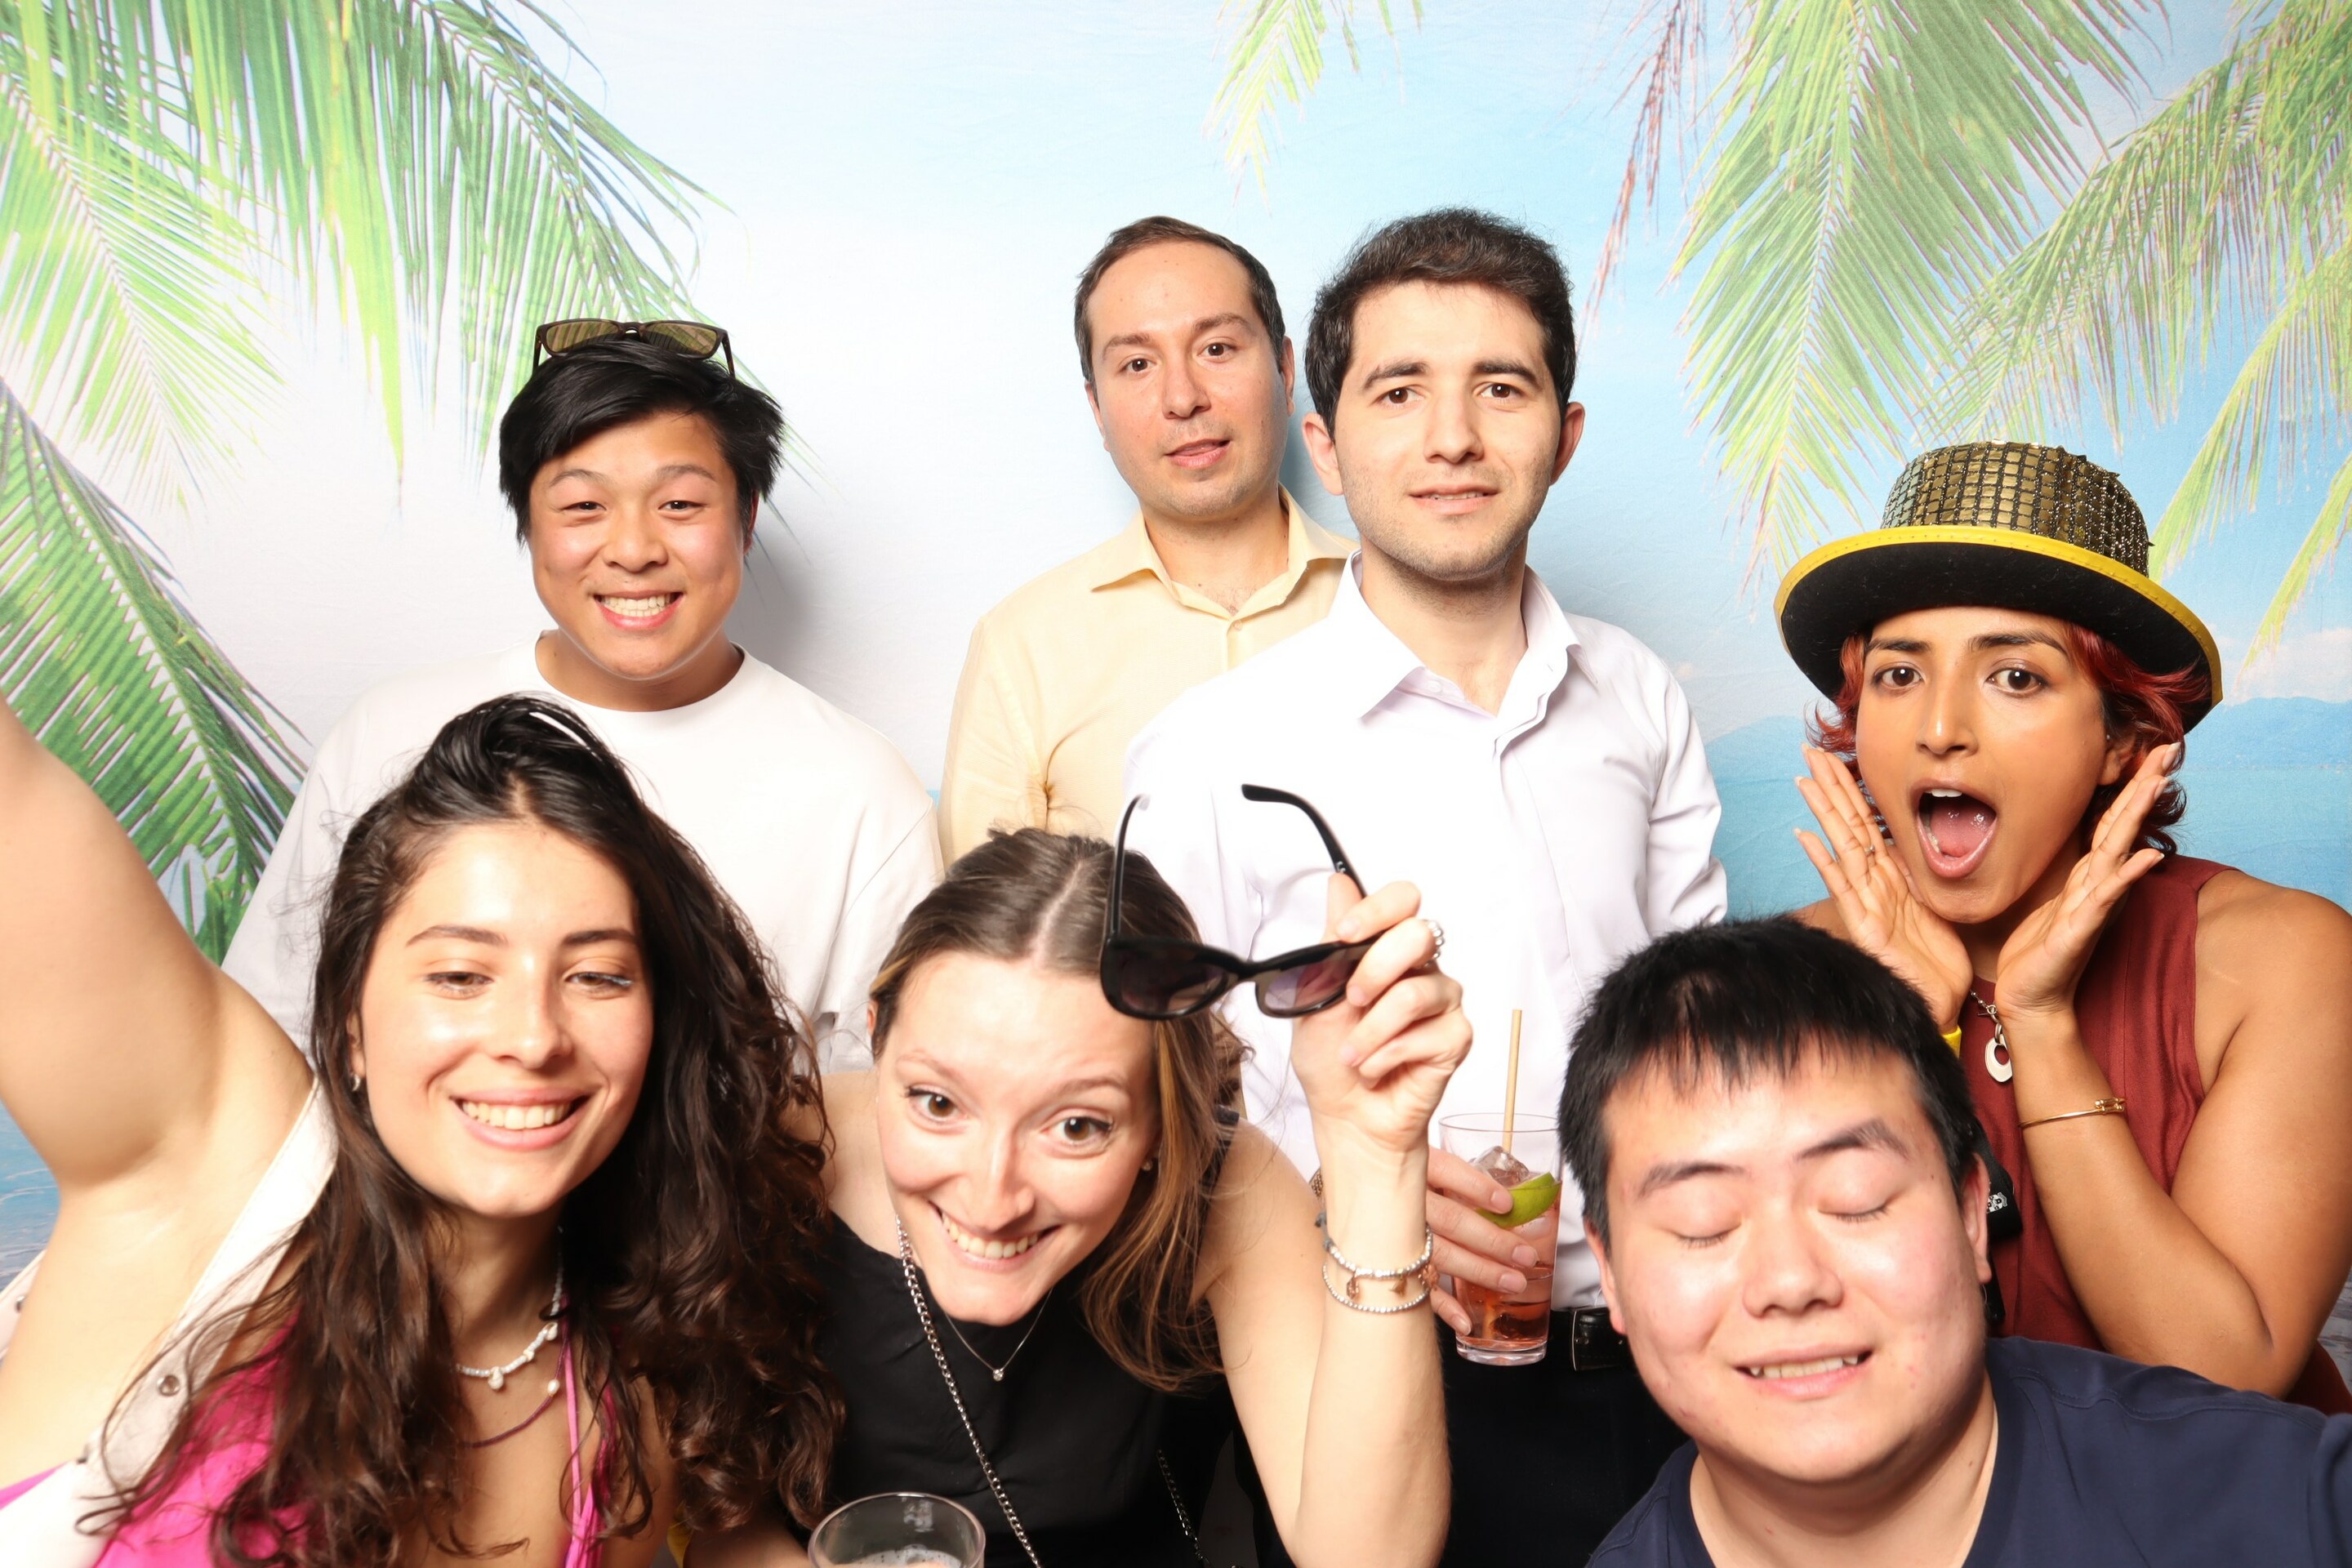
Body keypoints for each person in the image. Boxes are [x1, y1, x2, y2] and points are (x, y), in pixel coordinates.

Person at [1125, 208, 1723, 1565]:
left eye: (1500, 388)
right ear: (1327, 444)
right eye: (1399, 391)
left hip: (1658, 1358)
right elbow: (1162, 1103)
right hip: (1369, 1371)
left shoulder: (1639, 698)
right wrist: (1357, 1198)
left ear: (1565, 436)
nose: (1453, 437)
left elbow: (1687, 1035)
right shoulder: (1211, 751)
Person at [0, 694, 836, 1564]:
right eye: (460, 976)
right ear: (351, 1025)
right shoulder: (211, 1166)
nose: (533, 1039)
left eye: (596, 976)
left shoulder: (628, 1410)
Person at [714, 806, 1465, 1566]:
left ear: (1162, 1123)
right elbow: (719, 1521)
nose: (992, 1200)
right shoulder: (774, 1159)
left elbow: (1372, 1559)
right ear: (877, 1039)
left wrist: (1376, 1159)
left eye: (1077, 1126)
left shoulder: (1231, 1187)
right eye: (938, 1104)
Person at [1778, 441, 2352, 1410]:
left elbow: (2225, 1381)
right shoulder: (1789, 975)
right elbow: (1815, 1344)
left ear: (2122, 737)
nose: (1940, 728)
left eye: (2015, 677)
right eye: (1899, 675)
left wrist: (2042, 1027)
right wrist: (1914, 1035)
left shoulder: (2285, 958)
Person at [228, 324, 938, 1070]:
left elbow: (881, 1098)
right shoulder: (390, 734)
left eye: (680, 504)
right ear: (527, 522)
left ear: (747, 518)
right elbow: (273, 1036)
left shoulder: (860, 789)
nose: (633, 551)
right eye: (583, 507)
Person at [1562, 917, 2352, 1567]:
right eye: (1703, 1223)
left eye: (1857, 1200)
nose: (1791, 1281)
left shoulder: (2292, 1504)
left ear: (1973, 1213)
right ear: (1612, 1274)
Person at [937, 216, 1352, 858]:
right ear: (1097, 411)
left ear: (1284, 368)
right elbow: (981, 918)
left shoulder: (1396, 604)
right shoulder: (1021, 646)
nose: (1182, 398)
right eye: (1136, 364)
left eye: (1217, 349)